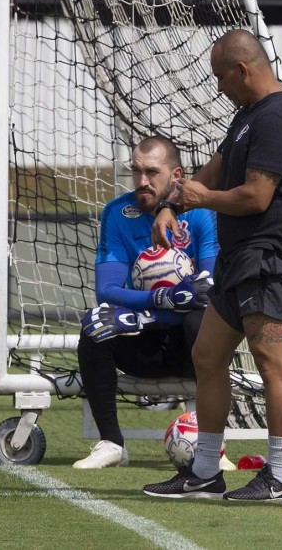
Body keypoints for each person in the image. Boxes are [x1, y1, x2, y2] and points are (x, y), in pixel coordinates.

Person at [141, 29, 282, 501]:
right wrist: (171, 205)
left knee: (271, 361)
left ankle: (278, 476)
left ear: (243, 70)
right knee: (207, 355)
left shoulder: (277, 116)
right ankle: (205, 471)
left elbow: (257, 196)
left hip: (269, 258)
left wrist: (203, 198)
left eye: (221, 76)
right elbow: (212, 172)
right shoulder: (248, 116)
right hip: (240, 259)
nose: (218, 86)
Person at [74, 135, 221, 470]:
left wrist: (177, 301)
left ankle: (210, 442)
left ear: (176, 175)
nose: (142, 181)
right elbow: (107, 289)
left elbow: (209, 287)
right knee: (95, 326)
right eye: (136, 171)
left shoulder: (200, 213)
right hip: (146, 340)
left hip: (191, 345)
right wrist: (160, 299)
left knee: (202, 321)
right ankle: (111, 443)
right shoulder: (117, 213)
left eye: (152, 172)